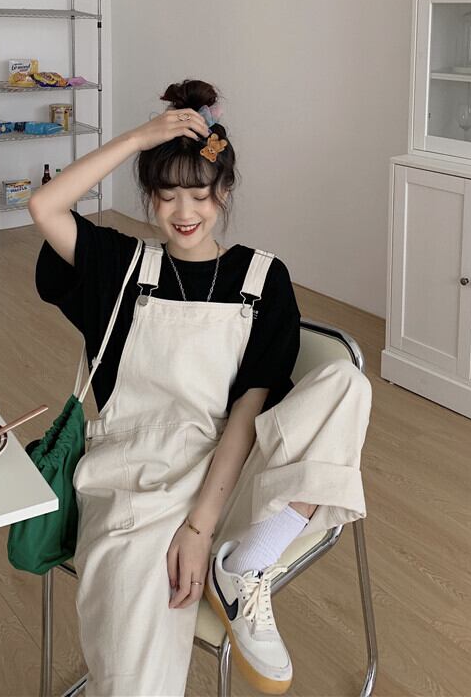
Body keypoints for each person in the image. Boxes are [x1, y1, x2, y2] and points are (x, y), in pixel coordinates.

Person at [29, 79, 372, 697]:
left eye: (199, 195)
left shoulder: (263, 278)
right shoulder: (119, 266)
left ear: (225, 192)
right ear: (148, 198)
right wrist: (139, 137)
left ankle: (243, 565)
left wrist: (200, 526)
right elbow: (45, 207)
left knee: (345, 383)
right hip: (134, 479)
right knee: (135, 676)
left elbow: (249, 408)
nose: (183, 213)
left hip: (230, 472)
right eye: (166, 197)